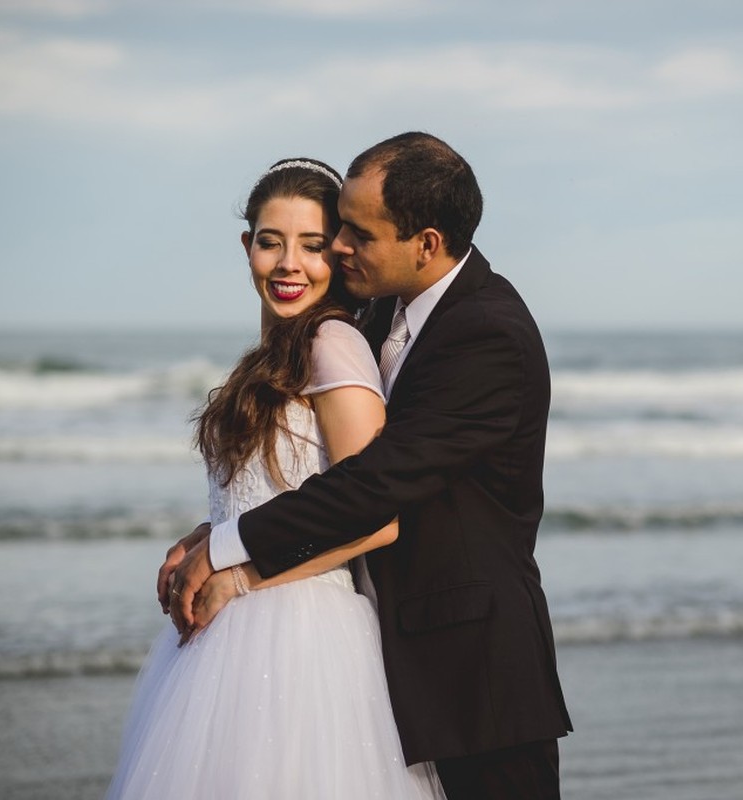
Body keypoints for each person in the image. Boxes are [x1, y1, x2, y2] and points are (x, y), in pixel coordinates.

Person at [167, 132, 573, 799]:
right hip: (382, 651)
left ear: (427, 243)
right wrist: (209, 532)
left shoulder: (489, 334)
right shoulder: (380, 308)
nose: (341, 248)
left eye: (356, 233)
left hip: (471, 668)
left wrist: (225, 550)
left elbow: (375, 484)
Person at [106, 157, 445, 799]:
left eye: (312, 247)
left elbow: (376, 517)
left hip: (301, 638)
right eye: (271, 242)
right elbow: (276, 487)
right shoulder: (270, 354)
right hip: (225, 636)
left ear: (339, 256)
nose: (289, 264)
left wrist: (238, 575)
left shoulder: (333, 344)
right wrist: (207, 534)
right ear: (247, 246)